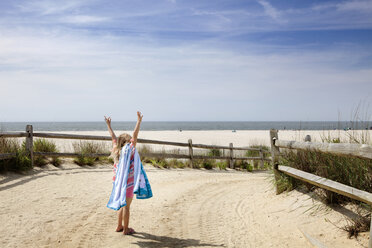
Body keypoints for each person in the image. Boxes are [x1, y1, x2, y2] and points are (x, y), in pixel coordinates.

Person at [105, 111, 152, 235]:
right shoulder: (130, 150)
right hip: (129, 182)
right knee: (127, 206)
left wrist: (109, 125)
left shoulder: (116, 150)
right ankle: (126, 229)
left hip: (117, 182)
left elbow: (113, 137)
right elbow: (135, 136)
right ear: (128, 141)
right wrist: (138, 121)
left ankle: (119, 226)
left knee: (121, 203)